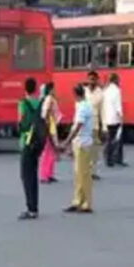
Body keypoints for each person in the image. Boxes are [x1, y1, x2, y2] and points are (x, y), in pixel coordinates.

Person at [62, 84, 94, 214]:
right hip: (80, 142)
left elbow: (78, 126)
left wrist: (67, 141)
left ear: (75, 94)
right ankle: (78, 200)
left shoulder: (83, 107)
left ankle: (85, 203)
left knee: (83, 174)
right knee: (78, 174)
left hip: (82, 143)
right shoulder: (82, 106)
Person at [18, 77, 41, 220]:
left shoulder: (23, 103)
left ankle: (30, 208)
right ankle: (35, 206)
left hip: (26, 140)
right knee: (33, 174)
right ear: (35, 89)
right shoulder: (39, 103)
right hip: (37, 141)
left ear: (25, 89)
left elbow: (21, 120)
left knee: (25, 175)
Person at [38, 82, 62, 184]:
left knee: (51, 151)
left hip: (51, 124)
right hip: (49, 125)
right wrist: (48, 124)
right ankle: (44, 175)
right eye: (53, 89)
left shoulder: (51, 99)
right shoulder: (49, 99)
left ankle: (50, 174)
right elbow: (46, 112)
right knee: (47, 151)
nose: (54, 90)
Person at [102, 73, 126, 167]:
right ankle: (117, 159)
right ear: (115, 80)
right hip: (115, 118)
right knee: (118, 139)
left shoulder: (105, 91)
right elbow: (118, 106)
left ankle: (108, 159)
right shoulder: (117, 91)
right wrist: (121, 117)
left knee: (109, 139)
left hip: (107, 118)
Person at [84, 70, 104, 180]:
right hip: (84, 125)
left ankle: (93, 171)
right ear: (87, 80)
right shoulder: (84, 92)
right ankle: (85, 170)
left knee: (94, 149)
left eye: (93, 79)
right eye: (90, 79)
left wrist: (104, 126)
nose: (92, 81)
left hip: (95, 124)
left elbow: (102, 111)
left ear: (97, 80)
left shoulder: (100, 93)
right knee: (85, 148)